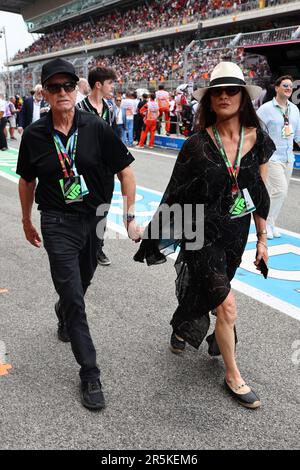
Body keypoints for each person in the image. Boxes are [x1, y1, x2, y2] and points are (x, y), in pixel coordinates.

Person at [134, 62, 276, 410]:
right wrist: (152, 231)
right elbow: (174, 194)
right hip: (199, 233)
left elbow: (258, 192)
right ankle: (233, 376)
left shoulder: (259, 140)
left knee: (208, 293)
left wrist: (262, 240)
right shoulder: (195, 145)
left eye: (232, 91)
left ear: (243, 98)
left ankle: (182, 324)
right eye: (218, 92)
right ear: (209, 101)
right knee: (226, 306)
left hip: (235, 233)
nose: (225, 96)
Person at [16, 58, 141, 411]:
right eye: (53, 88)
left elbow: (126, 174)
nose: (62, 93)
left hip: (95, 218)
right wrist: (26, 220)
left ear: (77, 89)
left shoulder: (97, 127)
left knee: (81, 284)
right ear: (44, 93)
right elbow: (27, 181)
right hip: (56, 221)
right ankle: (90, 371)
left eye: (67, 86)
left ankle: (64, 310)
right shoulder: (34, 135)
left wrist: (129, 217)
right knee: (74, 294)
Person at [77, 66, 117, 266]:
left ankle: (97, 248)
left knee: (103, 209)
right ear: (98, 84)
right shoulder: (79, 109)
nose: (113, 87)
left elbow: (114, 139)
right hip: (83, 169)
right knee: (80, 207)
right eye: (110, 83)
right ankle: (80, 244)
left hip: (106, 170)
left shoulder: (110, 108)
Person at [257, 75, 300, 239]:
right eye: (285, 85)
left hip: (288, 158)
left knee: (281, 193)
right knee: (280, 191)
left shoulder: (294, 110)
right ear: (277, 88)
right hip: (272, 157)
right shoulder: (265, 109)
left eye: (290, 86)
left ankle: (271, 223)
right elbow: (256, 133)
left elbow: (298, 135)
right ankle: (267, 223)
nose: (289, 88)